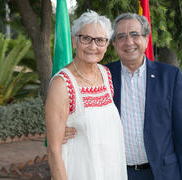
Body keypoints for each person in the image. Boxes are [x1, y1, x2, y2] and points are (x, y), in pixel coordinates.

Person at [65, 13, 182, 180]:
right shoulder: (102, 76)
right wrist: (62, 130)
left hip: (162, 173)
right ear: (114, 44)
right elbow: (85, 115)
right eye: (121, 36)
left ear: (146, 39)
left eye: (134, 35)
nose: (129, 42)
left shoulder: (169, 76)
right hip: (116, 172)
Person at [45, 10, 127, 180]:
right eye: (86, 38)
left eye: (100, 40)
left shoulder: (106, 75)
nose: (93, 46)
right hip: (78, 171)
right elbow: (53, 150)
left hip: (110, 171)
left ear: (106, 44)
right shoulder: (62, 84)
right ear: (74, 41)